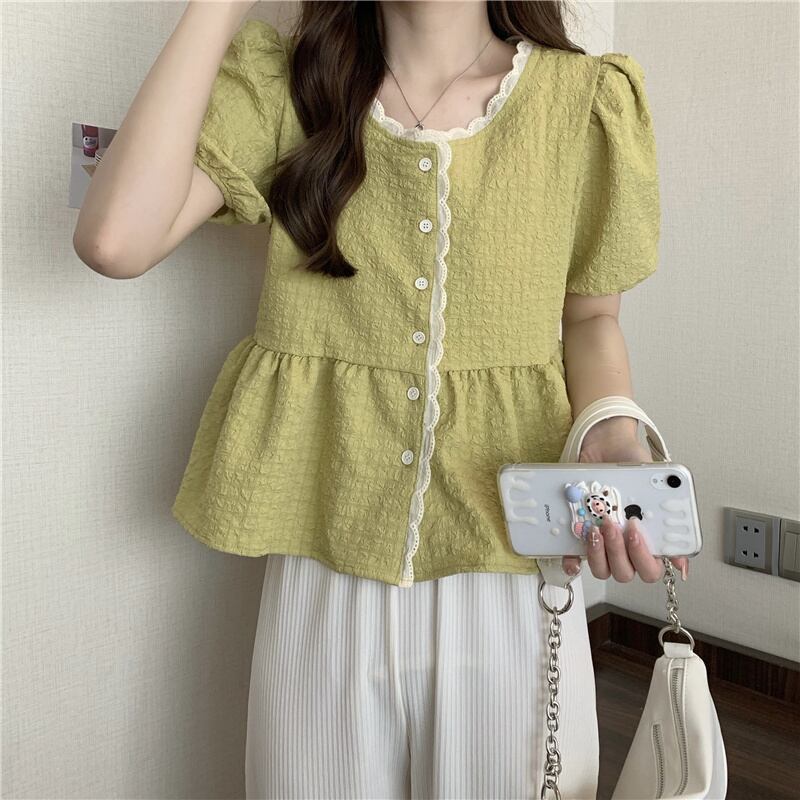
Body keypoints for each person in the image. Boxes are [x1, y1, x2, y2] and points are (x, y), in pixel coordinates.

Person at [73, 1, 688, 797]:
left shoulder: (584, 100)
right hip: (324, 564)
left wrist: (612, 425)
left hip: (510, 570)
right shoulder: (288, 86)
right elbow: (115, 239)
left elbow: (591, 316)